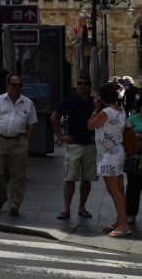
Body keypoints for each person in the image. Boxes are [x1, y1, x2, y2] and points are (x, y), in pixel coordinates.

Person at [0, 73, 38, 217]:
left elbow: (31, 123)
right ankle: (0, 197)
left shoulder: (28, 103)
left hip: (18, 141)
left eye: (20, 85)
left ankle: (15, 203)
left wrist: (26, 141)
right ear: (8, 85)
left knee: (18, 175)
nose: (17, 88)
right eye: (14, 85)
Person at [50, 77, 97, 220]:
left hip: (90, 146)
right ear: (76, 85)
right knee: (70, 178)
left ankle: (82, 207)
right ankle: (66, 209)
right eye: (80, 83)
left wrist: (98, 136)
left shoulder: (95, 103)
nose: (83, 86)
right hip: (74, 145)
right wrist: (61, 136)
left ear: (90, 86)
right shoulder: (69, 101)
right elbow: (54, 117)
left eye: (86, 84)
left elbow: (105, 121)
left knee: (87, 178)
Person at [88, 82, 130, 237]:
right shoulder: (121, 111)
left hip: (108, 155)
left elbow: (90, 125)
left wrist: (95, 109)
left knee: (114, 191)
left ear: (102, 98)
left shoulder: (107, 112)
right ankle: (120, 220)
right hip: (117, 152)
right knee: (119, 189)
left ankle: (123, 224)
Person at [125, 97, 142, 226]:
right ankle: (131, 213)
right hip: (135, 157)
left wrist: (137, 135)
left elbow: (132, 134)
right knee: (133, 187)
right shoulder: (132, 119)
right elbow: (126, 136)